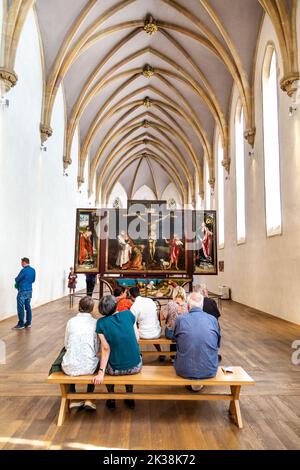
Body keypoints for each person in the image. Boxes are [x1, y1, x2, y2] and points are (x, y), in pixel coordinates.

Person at [93, 295, 142, 410]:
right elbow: (137, 338)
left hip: (114, 370)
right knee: (127, 356)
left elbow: (105, 349)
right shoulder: (128, 314)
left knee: (107, 360)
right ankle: (129, 396)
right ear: (116, 305)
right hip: (136, 366)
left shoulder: (100, 323)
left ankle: (111, 397)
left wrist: (101, 373)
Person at [173, 292, 220, 387]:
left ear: (188, 306)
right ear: (202, 305)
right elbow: (217, 344)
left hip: (184, 370)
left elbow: (175, 339)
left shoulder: (180, 319)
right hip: (209, 369)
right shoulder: (213, 320)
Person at [62, 296, 99, 411]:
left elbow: (66, 343)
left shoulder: (71, 321)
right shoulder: (95, 323)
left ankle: (73, 397)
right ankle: (89, 397)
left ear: (79, 307)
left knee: (70, 354)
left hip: (70, 367)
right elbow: (96, 347)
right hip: (89, 367)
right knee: (97, 360)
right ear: (92, 309)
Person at [13, 257, 36, 330]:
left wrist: (18, 282)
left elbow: (17, 279)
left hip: (22, 291)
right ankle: (28, 322)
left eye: (21, 262)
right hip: (29, 291)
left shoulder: (23, 270)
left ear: (24, 262)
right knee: (28, 306)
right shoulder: (33, 270)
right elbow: (33, 280)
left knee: (20, 307)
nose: (21, 264)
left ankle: (21, 324)